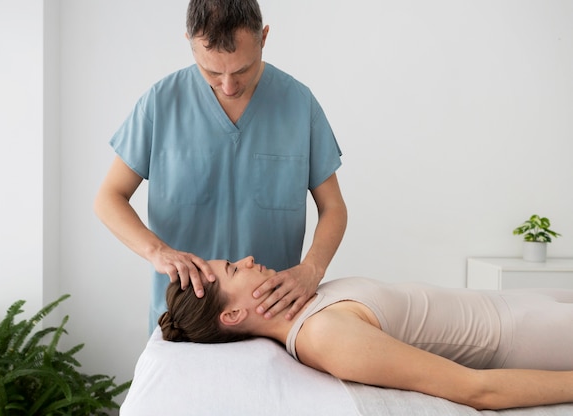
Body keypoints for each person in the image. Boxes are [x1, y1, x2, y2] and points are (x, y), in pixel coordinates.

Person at [94, 0, 348, 333]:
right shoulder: (160, 103)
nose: (228, 86)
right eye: (212, 72)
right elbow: (108, 198)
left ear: (264, 39)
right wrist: (156, 251)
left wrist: (312, 270)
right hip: (186, 325)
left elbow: (333, 208)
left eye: (242, 70)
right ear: (189, 42)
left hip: (273, 320)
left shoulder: (300, 105)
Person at [159, 256, 573, 410]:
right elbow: (477, 390)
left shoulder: (301, 296)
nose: (247, 259)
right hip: (528, 336)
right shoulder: (324, 338)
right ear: (232, 314)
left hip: (519, 302)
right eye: (233, 268)